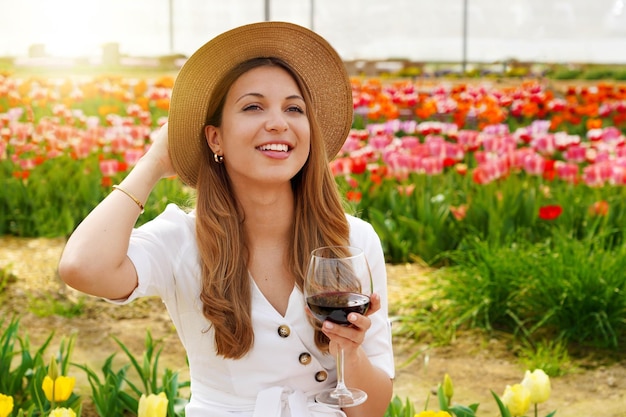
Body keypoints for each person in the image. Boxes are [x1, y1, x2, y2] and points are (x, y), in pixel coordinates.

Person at [58, 21, 394, 417]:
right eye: (253, 106)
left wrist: (349, 354)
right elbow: (82, 267)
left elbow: (371, 411)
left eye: (294, 108)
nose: (278, 122)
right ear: (215, 138)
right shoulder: (181, 239)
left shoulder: (353, 240)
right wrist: (153, 161)